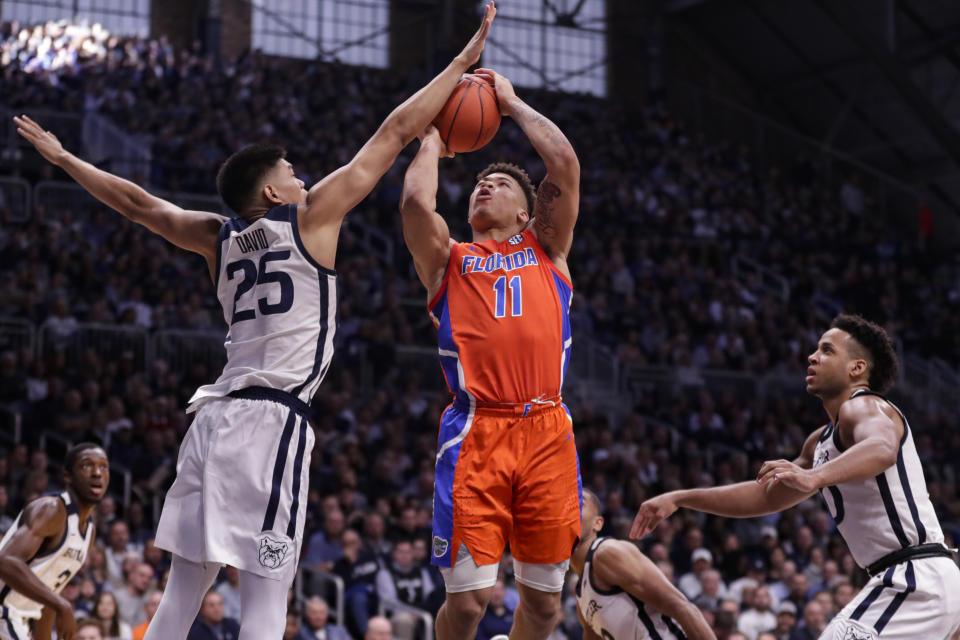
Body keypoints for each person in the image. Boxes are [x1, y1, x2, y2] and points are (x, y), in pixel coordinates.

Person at [14, 4, 496, 639]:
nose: (302, 178)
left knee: (185, 586)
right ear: (272, 194)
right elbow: (396, 128)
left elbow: (136, 203)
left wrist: (63, 158)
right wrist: (464, 60)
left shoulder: (215, 237)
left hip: (212, 418)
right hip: (271, 422)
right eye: (291, 173)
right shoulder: (313, 218)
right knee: (270, 589)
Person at [632, 314, 960, 639]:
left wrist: (815, 477)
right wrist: (681, 498)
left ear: (856, 368)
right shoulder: (819, 442)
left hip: (915, 576)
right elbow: (765, 496)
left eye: (827, 350)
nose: (812, 356)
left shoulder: (865, 406)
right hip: (918, 580)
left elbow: (883, 447)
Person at [399, 67, 581, 640]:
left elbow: (565, 166)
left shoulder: (546, 248)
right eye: (480, 182)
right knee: (471, 602)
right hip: (476, 430)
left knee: (546, 608)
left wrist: (510, 103)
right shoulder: (448, 260)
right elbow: (412, 203)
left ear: (528, 212)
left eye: (501, 185)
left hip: (547, 427)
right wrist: (433, 138)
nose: (486, 186)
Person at [572, 489, 714, 640]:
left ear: (598, 524)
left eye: (580, 503)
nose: (569, 509)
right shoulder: (582, 598)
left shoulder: (607, 553)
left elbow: (682, 607)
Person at [0, 443, 108, 640]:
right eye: (86, 465)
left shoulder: (89, 530)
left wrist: (56, 608)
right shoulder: (52, 509)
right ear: (67, 476)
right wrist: (62, 606)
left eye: (103, 466)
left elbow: (49, 593)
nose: (97, 473)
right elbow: (5, 561)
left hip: (17, 619)